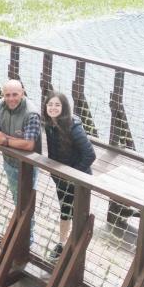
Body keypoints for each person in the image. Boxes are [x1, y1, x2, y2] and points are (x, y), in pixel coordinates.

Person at [43, 92, 97, 260]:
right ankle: (62, 244)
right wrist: (57, 174)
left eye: (57, 105)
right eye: (50, 104)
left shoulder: (73, 127)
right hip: (61, 178)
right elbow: (53, 152)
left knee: (78, 214)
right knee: (65, 211)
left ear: (64, 108)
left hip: (78, 179)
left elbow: (90, 155)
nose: (53, 108)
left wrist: (72, 174)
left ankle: (75, 248)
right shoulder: (50, 125)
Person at [0, 79, 41, 202]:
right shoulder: (0, 105)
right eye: (7, 95)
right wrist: (16, 141)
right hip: (8, 161)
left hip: (28, 166)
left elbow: (29, 144)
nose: (11, 99)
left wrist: (5, 140)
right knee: (16, 198)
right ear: (3, 94)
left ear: (22, 93)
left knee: (26, 202)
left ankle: (27, 222)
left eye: (15, 94)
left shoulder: (31, 113)